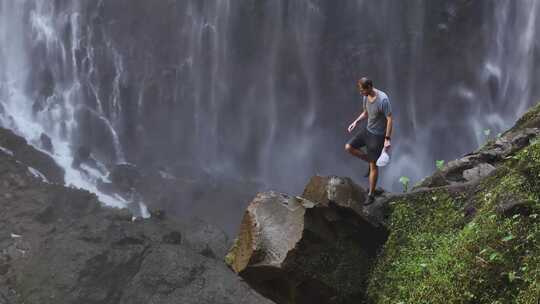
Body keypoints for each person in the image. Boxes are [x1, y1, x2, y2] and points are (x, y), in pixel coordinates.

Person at [345, 77, 393, 205]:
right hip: (367, 131)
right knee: (349, 147)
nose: (361, 93)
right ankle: (371, 159)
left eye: (362, 90)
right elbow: (366, 113)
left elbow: (389, 119)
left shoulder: (383, 99)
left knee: (373, 166)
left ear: (370, 87)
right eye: (360, 91)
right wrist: (355, 122)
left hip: (378, 136)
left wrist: (387, 139)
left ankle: (371, 194)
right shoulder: (365, 97)